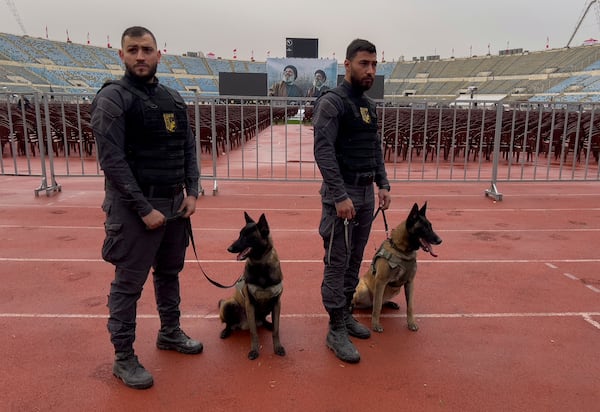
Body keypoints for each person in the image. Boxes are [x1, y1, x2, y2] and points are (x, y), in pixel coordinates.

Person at [91, 26, 203, 390]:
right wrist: (143, 209)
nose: (141, 56)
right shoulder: (113, 98)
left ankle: (170, 331)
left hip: (173, 204)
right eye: (133, 50)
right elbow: (113, 162)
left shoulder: (173, 98)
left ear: (159, 55)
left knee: (169, 273)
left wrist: (193, 191)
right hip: (135, 209)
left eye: (147, 49)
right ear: (121, 55)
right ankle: (123, 357)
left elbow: (188, 147)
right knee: (128, 286)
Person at [313, 39, 391, 364]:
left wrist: (382, 184)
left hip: (364, 194)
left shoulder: (369, 106)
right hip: (341, 197)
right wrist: (339, 195)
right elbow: (323, 151)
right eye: (363, 64)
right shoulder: (333, 102)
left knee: (355, 260)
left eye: (374, 64)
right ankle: (334, 328)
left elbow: (374, 148)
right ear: (347, 65)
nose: (370, 70)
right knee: (337, 262)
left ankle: (345, 315)